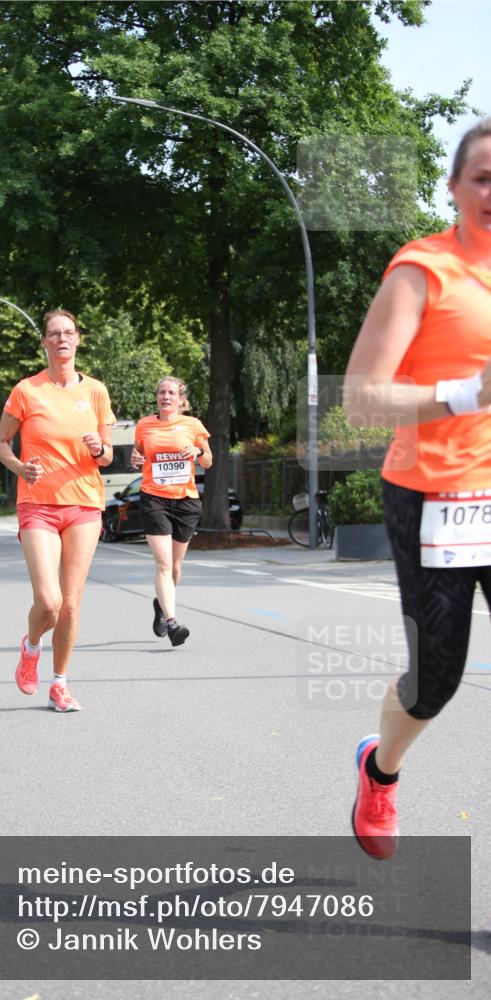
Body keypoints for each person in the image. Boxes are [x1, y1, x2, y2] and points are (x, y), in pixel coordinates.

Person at [344, 117, 491, 860]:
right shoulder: (422, 270)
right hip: (438, 496)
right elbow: (362, 398)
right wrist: (468, 393)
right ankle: (380, 769)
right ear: (455, 187)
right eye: (483, 178)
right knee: (436, 679)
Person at [0, 309, 115, 712]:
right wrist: (19, 467)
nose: (62, 338)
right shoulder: (26, 391)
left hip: (84, 504)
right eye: (54, 333)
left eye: (69, 332)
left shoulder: (95, 391)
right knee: (49, 602)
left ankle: (59, 684)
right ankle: (31, 648)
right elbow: (1, 443)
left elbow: (108, 456)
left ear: (77, 339)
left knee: (71, 604)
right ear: (44, 342)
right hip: (38, 505)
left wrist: (99, 448)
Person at [133, 376, 213, 646]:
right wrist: (135, 458)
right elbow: (139, 454)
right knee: (164, 564)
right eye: (162, 392)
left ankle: (160, 604)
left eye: (171, 393)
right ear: (157, 397)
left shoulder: (193, 425)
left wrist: (197, 451)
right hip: (154, 498)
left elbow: (208, 460)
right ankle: (172, 622)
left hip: (185, 501)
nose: (166, 396)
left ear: (181, 399)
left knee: (176, 567)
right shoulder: (144, 425)